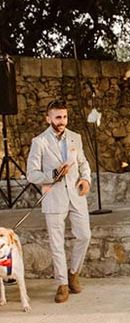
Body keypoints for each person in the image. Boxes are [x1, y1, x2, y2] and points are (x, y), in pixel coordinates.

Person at [26, 99, 91, 303]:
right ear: (48, 118)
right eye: (57, 117)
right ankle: (62, 284)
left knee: (84, 235)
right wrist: (52, 173)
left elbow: (83, 163)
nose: (62, 121)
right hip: (53, 198)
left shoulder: (75, 138)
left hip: (76, 196)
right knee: (56, 243)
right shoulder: (39, 142)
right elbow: (31, 174)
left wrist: (86, 179)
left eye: (64, 116)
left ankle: (73, 273)